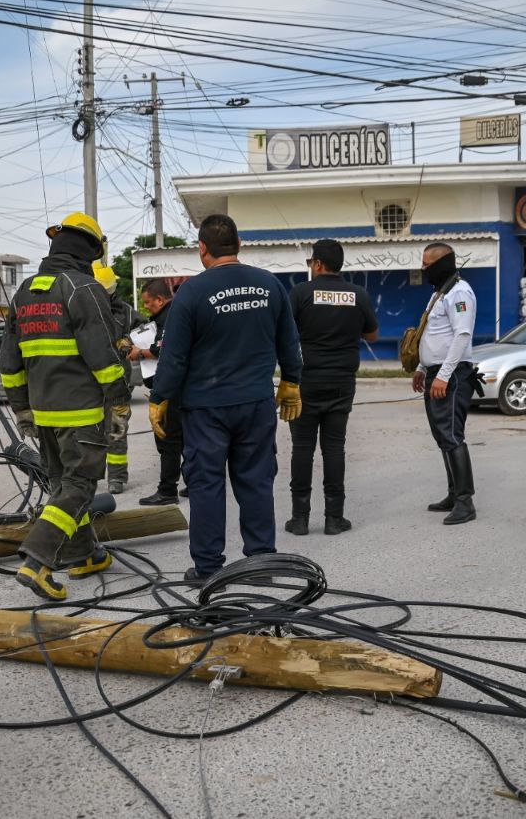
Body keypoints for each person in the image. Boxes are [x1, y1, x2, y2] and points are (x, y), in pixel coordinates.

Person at [148, 214, 303, 583]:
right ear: (239, 245)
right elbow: (289, 341)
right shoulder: (269, 285)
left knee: (206, 485)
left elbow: (175, 355)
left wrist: (160, 397)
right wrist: (292, 380)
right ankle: (261, 563)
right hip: (255, 404)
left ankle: (208, 569)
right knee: (256, 481)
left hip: (206, 409)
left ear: (202, 249)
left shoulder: (192, 292)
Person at [0, 212, 133, 601]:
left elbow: (10, 361)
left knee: (62, 485)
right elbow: (106, 360)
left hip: (44, 415)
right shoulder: (83, 289)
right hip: (83, 414)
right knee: (78, 486)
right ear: (90, 250)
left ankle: (84, 555)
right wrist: (120, 406)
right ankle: (36, 562)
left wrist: (21, 409)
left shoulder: (25, 292)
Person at [284, 239, 378, 536]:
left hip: (306, 381)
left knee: (302, 448)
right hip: (341, 381)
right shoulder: (358, 294)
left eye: (312, 261)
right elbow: (372, 335)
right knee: (334, 448)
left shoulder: (300, 293)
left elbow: (284, 332)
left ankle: (300, 519)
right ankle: (334, 519)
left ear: (318, 264)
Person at [412, 243, 478, 525]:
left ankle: (465, 502)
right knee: (442, 436)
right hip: (436, 371)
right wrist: (421, 367)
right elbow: (431, 333)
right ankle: (453, 493)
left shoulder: (460, 292)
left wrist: (443, 375)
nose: (424, 270)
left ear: (444, 263)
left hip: (452, 374)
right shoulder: (440, 293)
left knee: (452, 435)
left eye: (428, 265)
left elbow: (462, 335)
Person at [131, 278, 186, 506]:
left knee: (168, 439)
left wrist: (140, 353)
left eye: (148, 303)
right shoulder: (178, 312)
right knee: (187, 438)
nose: (145, 307)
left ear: (160, 299)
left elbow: (163, 350)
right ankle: (195, 482)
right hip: (184, 386)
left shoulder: (169, 317)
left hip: (170, 389)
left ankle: (167, 491)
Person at [93, 261, 146, 494]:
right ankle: (89, 478)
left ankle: (116, 478)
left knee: (116, 430)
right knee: (89, 433)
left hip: (117, 383)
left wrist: (129, 340)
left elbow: (146, 330)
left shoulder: (123, 311)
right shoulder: (82, 309)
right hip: (90, 384)